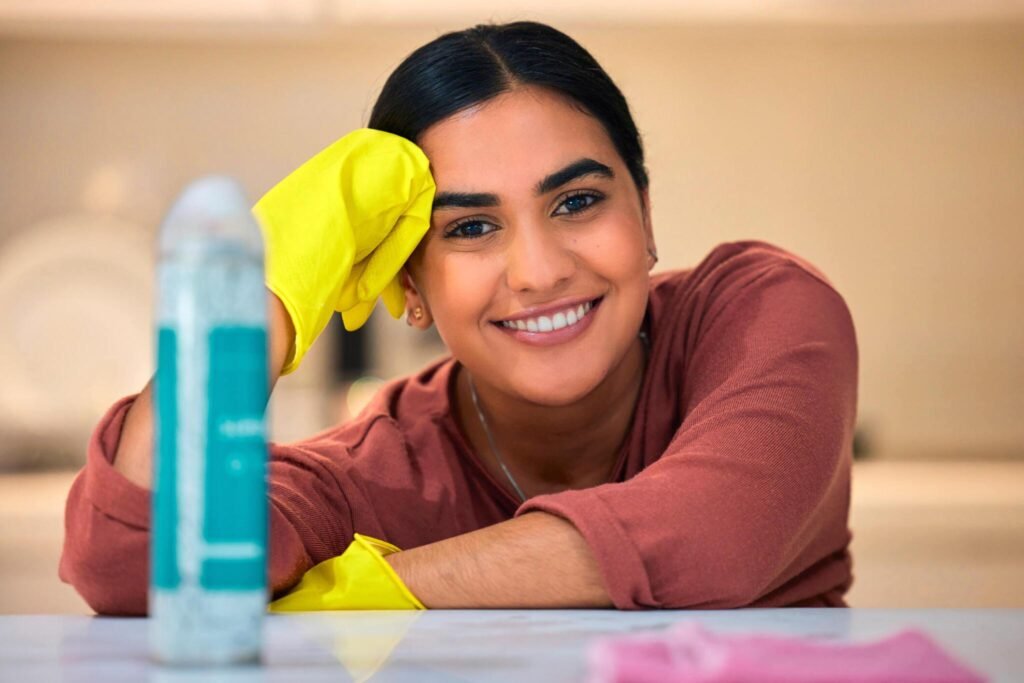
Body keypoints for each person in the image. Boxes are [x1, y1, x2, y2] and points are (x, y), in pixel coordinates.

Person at [59, 21, 858, 615]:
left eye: (577, 202)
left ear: (644, 214)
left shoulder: (760, 309)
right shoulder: (375, 472)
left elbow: (713, 534)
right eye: (471, 227)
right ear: (409, 286)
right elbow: (138, 559)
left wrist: (374, 589)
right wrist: (259, 288)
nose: (540, 270)